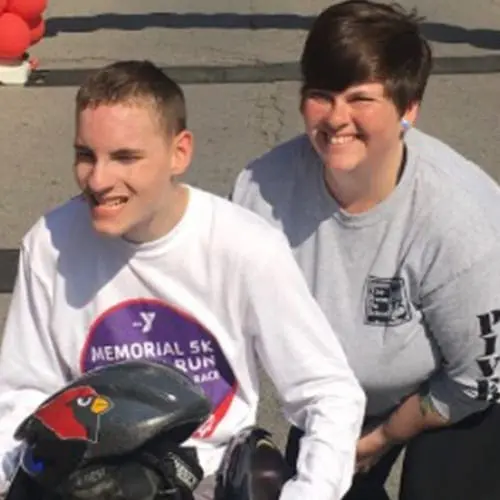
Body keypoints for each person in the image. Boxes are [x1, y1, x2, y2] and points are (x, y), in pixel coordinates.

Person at [0, 60, 366, 500]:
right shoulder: (50, 243)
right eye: (85, 155)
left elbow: (328, 392)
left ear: (180, 153)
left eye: (125, 157)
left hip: (208, 481)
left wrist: (308, 493)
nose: (98, 179)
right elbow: (22, 395)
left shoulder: (246, 246)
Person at [230, 1, 500, 499]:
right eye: (321, 95)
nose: (337, 118)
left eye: (360, 98)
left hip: (461, 391)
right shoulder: (259, 191)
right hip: (335, 397)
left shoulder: (462, 221)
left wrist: (383, 437)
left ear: (408, 108)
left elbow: (474, 379)